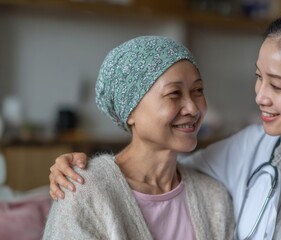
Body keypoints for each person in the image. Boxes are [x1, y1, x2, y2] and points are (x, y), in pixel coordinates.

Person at [48, 10, 281, 239]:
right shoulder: (249, 147)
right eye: (258, 77)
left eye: (277, 85)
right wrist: (85, 169)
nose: (260, 96)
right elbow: (158, 177)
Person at [43, 36, 234, 239]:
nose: (193, 108)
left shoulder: (215, 199)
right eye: (174, 93)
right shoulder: (82, 190)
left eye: (198, 90)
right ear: (130, 111)